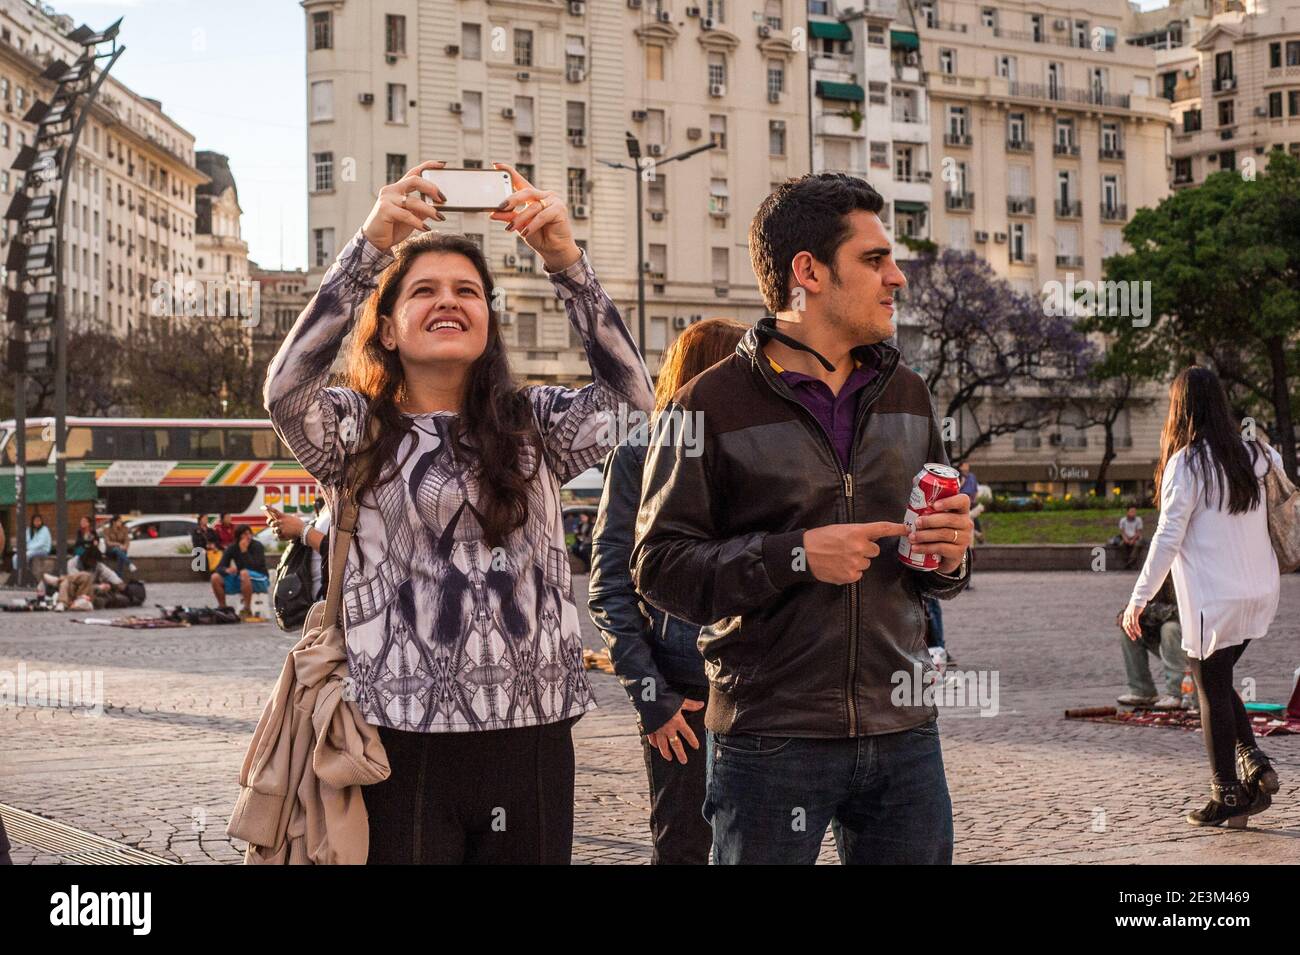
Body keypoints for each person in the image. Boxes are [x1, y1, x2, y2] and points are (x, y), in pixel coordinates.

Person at [262, 159, 653, 864]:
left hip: (532, 739)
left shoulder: (535, 424)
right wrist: (370, 248)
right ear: (386, 329)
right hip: (401, 740)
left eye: (468, 291)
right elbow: (286, 392)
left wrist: (565, 259)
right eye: (425, 291)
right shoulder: (355, 430)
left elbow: (632, 400)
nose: (450, 300)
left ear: (488, 322)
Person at [632, 173, 973, 865]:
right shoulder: (706, 405)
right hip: (769, 737)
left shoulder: (907, 393)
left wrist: (951, 554)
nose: (897, 278)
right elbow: (658, 566)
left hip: (903, 728)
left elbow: (936, 572)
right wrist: (794, 555)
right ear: (808, 272)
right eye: (874, 260)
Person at [588, 317, 747, 865]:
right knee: (683, 845)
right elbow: (610, 584)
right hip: (683, 690)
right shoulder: (640, 451)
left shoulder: (758, 451)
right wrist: (652, 700)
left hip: (762, 689)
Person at [1123, 367, 1282, 827]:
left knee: (1210, 690)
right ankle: (1255, 763)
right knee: (1219, 678)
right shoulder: (1260, 453)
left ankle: (1227, 794)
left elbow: (1167, 536)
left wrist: (1138, 600)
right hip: (1259, 593)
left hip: (1214, 600)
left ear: (1180, 409)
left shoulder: (1187, 463)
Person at [1117, 576, 1191, 710]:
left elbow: (1181, 613)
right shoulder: (1160, 572)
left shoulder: (1190, 571)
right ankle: (1142, 691)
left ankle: (1177, 693)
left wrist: (1146, 612)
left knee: (1170, 628)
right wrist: (1129, 613)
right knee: (1129, 627)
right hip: (1167, 638)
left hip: (1193, 641)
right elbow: (1143, 599)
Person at [210, 525, 270, 618]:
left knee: (244, 572)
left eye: (250, 533)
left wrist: (244, 551)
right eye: (245, 534)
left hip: (260, 578)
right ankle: (223, 607)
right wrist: (227, 570)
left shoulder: (257, 545)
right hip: (242, 579)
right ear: (239, 536)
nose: (248, 536)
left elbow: (255, 566)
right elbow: (219, 567)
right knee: (215, 577)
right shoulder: (233, 547)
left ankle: (247, 609)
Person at [42, 544, 125, 611]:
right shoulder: (73, 563)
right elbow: (75, 581)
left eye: (95, 561)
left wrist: (118, 583)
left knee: (69, 580)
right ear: (86, 558)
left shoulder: (98, 566)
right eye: (92, 561)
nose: (94, 563)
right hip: (73, 589)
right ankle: (62, 602)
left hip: (88, 592)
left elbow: (110, 575)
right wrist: (98, 586)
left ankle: (59, 580)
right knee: (75, 580)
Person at [12, 513, 52, 578]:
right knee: (15, 557)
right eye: (35, 521)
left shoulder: (44, 529)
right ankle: (17, 574)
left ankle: (25, 574)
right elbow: (25, 541)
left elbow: (40, 543)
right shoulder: (29, 530)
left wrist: (27, 548)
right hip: (30, 550)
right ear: (32, 521)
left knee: (26, 555)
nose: (37, 522)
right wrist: (20, 548)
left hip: (42, 550)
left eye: (39, 521)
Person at [1118, 505, 1144, 569]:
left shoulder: (1138, 520)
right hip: (1126, 538)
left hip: (1136, 538)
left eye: (1135, 512)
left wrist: (1133, 540)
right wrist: (1126, 539)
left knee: (1138, 545)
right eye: (1132, 511)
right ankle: (1127, 562)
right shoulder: (1123, 520)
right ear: (1127, 512)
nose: (1133, 513)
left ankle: (1129, 563)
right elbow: (1122, 532)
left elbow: (1138, 532)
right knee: (1121, 545)